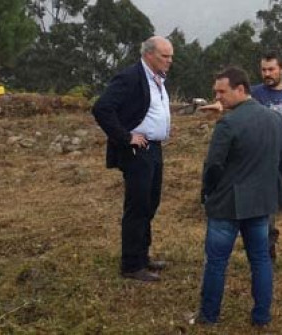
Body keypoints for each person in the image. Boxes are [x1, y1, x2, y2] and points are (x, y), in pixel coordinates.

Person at [199, 51, 282, 265]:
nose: (267, 74)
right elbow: (231, 101)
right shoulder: (253, 93)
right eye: (263, 69)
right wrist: (218, 108)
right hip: (263, 167)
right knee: (265, 214)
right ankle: (267, 253)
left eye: (271, 69)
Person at [195, 66, 282, 326]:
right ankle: (261, 316)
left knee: (216, 262)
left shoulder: (228, 123)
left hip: (227, 202)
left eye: (222, 92)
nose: (218, 98)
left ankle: (209, 316)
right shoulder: (275, 119)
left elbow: (213, 165)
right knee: (260, 259)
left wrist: (207, 193)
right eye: (215, 92)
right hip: (261, 202)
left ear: (240, 89)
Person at [92, 36, 174, 282]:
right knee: (137, 206)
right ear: (149, 54)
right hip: (138, 151)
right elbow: (101, 108)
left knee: (150, 203)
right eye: (164, 56)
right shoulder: (130, 77)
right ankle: (131, 264)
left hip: (155, 148)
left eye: (171, 56)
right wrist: (125, 137)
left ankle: (142, 255)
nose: (169, 61)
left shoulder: (156, 78)